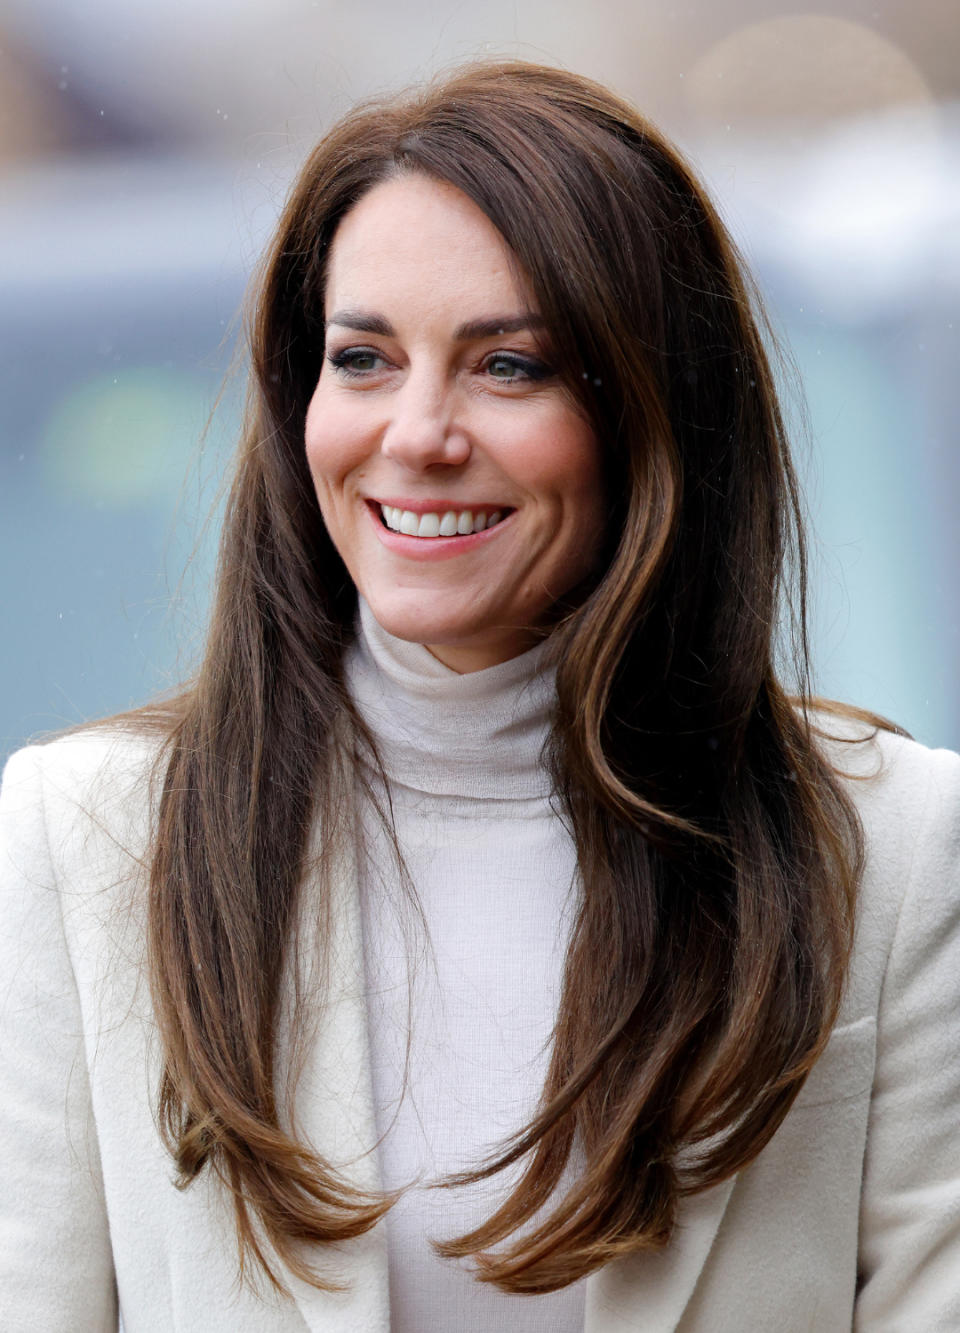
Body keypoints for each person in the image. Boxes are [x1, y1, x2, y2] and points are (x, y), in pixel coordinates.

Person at [1, 60, 958, 1333]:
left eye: (508, 366)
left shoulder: (896, 850)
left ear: (652, 413)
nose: (417, 433)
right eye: (364, 358)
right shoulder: (90, 834)